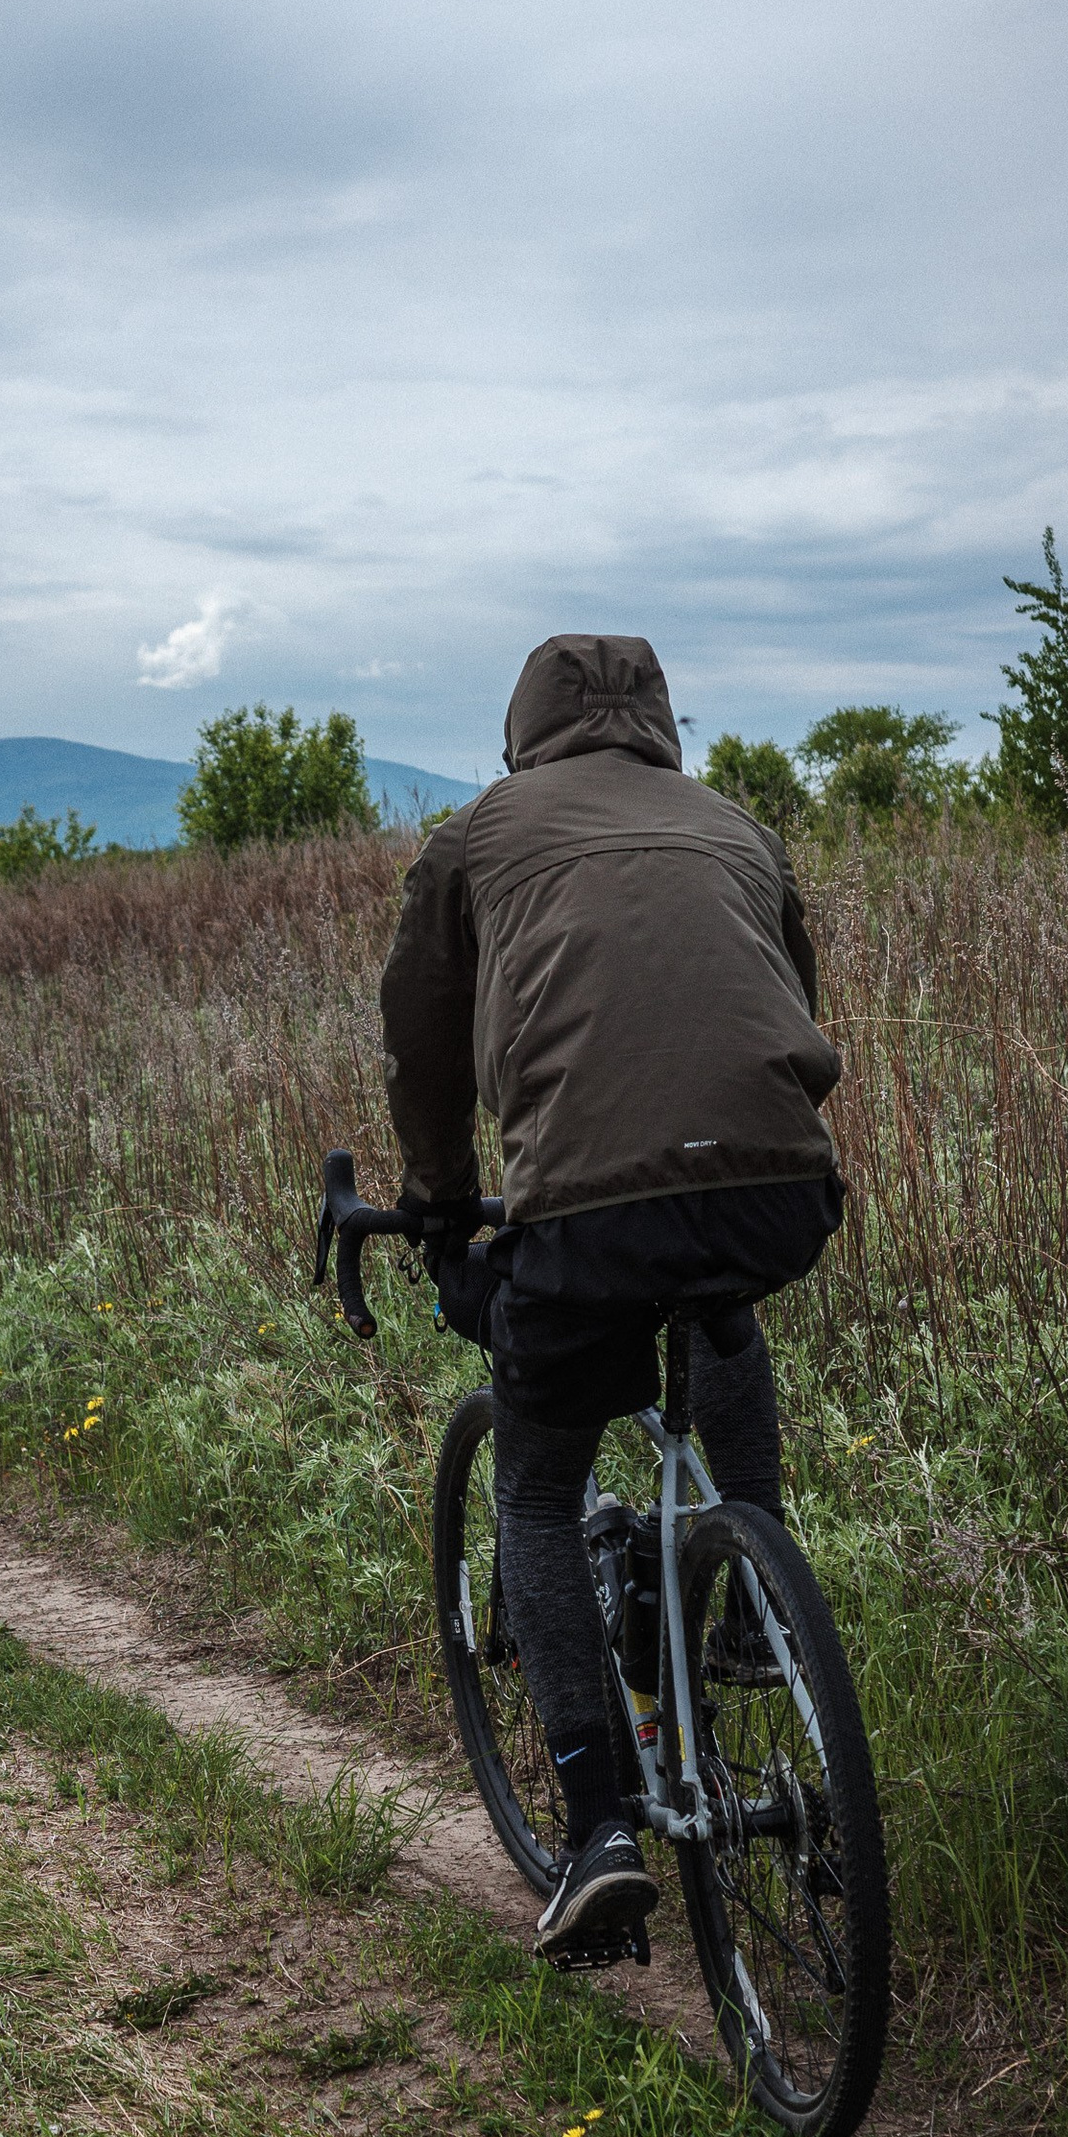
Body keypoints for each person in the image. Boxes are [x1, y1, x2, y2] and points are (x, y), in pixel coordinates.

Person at [379, 633, 843, 1963]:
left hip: (582, 1215)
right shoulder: (737, 827)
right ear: (661, 727)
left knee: (531, 1484)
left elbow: (420, 1028)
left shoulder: (479, 835)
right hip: (778, 1189)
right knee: (720, 1304)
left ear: (524, 728)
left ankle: (597, 1831)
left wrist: (438, 1197)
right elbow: (781, 1001)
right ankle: (749, 1598)